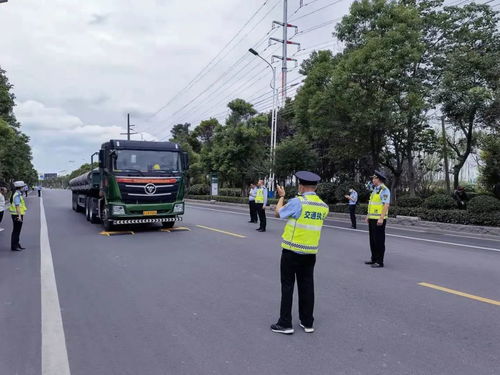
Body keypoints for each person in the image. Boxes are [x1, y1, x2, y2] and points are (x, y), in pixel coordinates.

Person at [271, 171, 329, 334]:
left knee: (288, 286)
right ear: (315, 187)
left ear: (301, 186)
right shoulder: (323, 206)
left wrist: (282, 196)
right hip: (310, 253)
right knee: (307, 286)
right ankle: (307, 322)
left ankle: (285, 323)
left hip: (292, 251)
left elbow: (278, 213)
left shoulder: (298, 202)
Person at [365, 171, 390, 268]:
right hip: (372, 218)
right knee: (372, 240)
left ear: (378, 179)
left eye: (374, 178)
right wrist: (368, 215)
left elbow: (386, 205)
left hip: (379, 220)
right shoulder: (375, 189)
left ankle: (380, 261)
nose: (372, 180)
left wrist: (381, 218)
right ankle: (374, 258)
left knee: (379, 240)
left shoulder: (384, 190)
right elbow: (371, 204)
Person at [9, 181, 28, 251]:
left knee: (17, 231)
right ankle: (14, 246)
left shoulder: (17, 193)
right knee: (16, 231)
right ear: (20, 187)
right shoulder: (17, 195)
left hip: (16, 214)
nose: (24, 188)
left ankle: (17, 244)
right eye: (23, 187)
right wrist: (19, 216)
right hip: (17, 215)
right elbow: (17, 206)